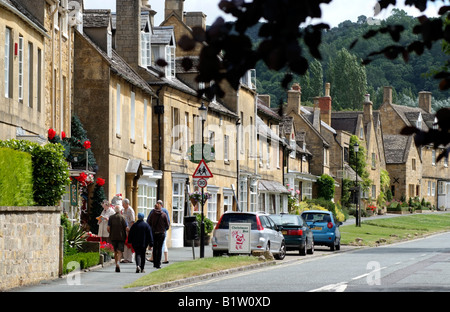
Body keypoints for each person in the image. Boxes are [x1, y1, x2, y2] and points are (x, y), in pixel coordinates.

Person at [107, 205, 128, 272]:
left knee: (115, 251)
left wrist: (111, 233)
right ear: (120, 210)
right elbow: (126, 228)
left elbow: (108, 228)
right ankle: (118, 263)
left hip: (113, 236)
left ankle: (116, 264)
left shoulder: (111, 217)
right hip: (121, 237)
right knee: (120, 251)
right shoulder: (123, 217)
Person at [122, 198, 135, 263]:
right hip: (124, 229)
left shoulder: (130, 210)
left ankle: (130, 258)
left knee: (129, 244)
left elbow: (132, 221)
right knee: (125, 244)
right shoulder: (123, 210)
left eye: (123, 204)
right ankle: (125, 258)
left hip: (129, 229)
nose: (122, 205)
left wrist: (130, 229)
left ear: (127, 204)